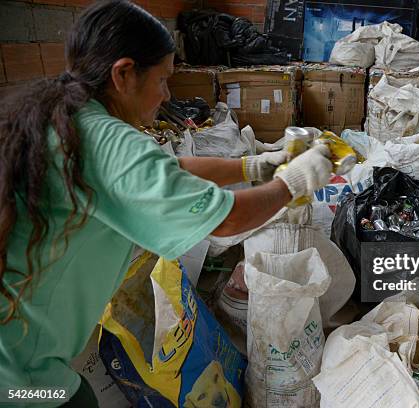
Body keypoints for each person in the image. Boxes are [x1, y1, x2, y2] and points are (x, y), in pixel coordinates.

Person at [0, 1, 332, 406]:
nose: (167, 94)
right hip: (18, 374)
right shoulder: (109, 142)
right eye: (161, 80)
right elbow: (226, 220)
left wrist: (256, 166)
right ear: (123, 73)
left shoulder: (72, 119)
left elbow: (170, 168)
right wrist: (294, 180)